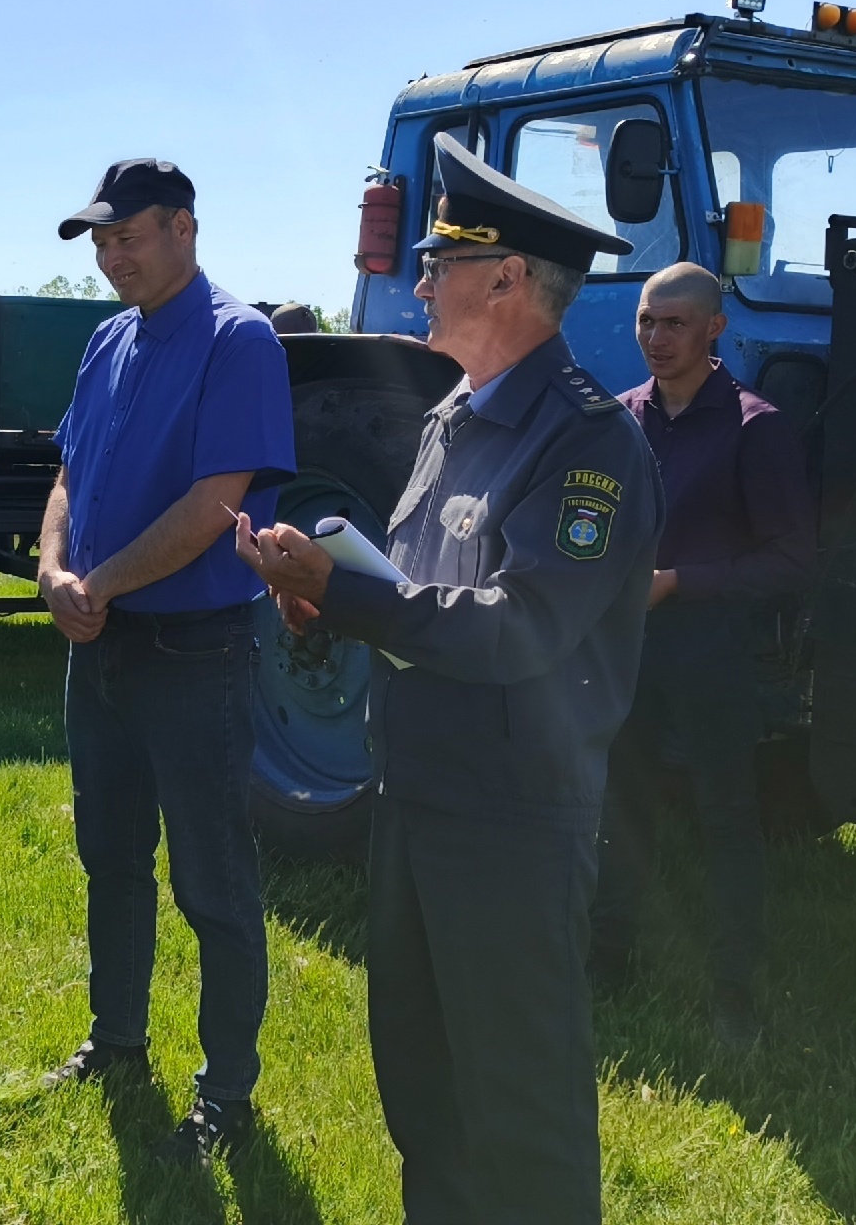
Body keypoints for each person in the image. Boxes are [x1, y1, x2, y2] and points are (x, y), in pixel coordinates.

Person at [233, 133, 660, 1223]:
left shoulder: (587, 442)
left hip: (511, 818)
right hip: (416, 799)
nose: (416, 281)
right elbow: (424, 595)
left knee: (520, 1110)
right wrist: (322, 595)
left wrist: (351, 593)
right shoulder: (449, 417)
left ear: (507, 279)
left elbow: (520, 629)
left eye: (439, 261)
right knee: (423, 1094)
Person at [35, 158, 296, 1163]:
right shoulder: (105, 340)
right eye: (99, 241)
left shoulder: (239, 341)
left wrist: (93, 589)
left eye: (126, 235)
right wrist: (56, 567)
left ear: (183, 228)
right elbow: (70, 470)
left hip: (193, 653)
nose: (110, 255)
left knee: (212, 881)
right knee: (110, 859)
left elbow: (211, 507)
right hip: (100, 650)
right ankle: (116, 1039)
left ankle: (225, 1089)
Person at [590, 262, 816, 1049]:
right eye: (647, 321)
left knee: (726, 817)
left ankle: (733, 994)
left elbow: (793, 561)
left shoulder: (757, 429)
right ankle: (607, 966)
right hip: (631, 650)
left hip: (712, 652)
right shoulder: (619, 421)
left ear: (715, 328)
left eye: (675, 323)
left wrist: (681, 582)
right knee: (621, 808)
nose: (656, 338)